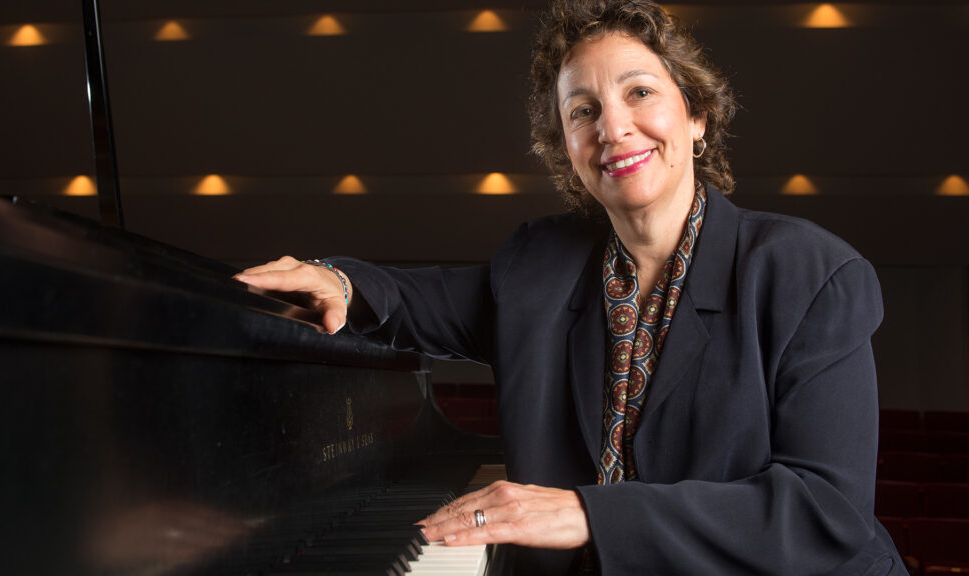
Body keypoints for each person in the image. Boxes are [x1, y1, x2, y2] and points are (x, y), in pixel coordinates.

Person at [235, 0, 907, 574]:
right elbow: (413, 299)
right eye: (583, 110)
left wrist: (588, 511)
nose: (613, 128)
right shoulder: (540, 265)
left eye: (639, 92)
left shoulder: (811, 273)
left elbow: (826, 512)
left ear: (697, 116)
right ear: (567, 147)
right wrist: (339, 280)